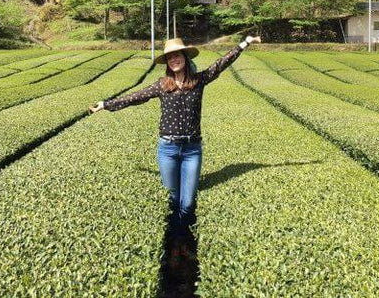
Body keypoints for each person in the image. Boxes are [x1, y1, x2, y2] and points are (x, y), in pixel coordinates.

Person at [88, 35, 261, 262]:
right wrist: (106, 104)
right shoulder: (162, 85)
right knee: (172, 199)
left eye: (177, 55)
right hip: (167, 149)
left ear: (185, 58)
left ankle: (181, 243)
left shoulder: (198, 80)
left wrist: (244, 43)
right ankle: (172, 246)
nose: (174, 60)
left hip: (192, 149)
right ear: (167, 62)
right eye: (170, 57)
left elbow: (222, 63)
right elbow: (135, 97)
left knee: (187, 203)